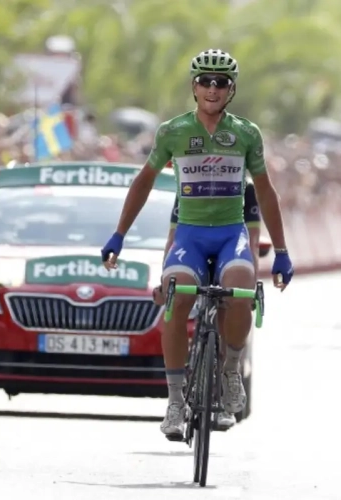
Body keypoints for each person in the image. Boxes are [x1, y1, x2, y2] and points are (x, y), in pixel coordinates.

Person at [101, 48, 294, 440]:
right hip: (189, 234)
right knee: (175, 297)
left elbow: (268, 193)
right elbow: (144, 182)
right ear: (193, 86)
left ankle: (229, 371)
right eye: (205, 81)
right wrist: (118, 234)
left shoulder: (246, 133)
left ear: (231, 89)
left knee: (241, 288)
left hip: (230, 234)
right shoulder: (172, 131)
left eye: (220, 82)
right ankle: (174, 400)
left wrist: (283, 251)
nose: (212, 88)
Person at [153, 173, 262, 431]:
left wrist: (249, 286)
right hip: (193, 252)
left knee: (232, 300)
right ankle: (176, 401)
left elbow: (253, 243)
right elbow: (173, 242)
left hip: (231, 252)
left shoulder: (246, 191)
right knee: (180, 299)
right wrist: (163, 282)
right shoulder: (192, 184)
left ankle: (226, 385)